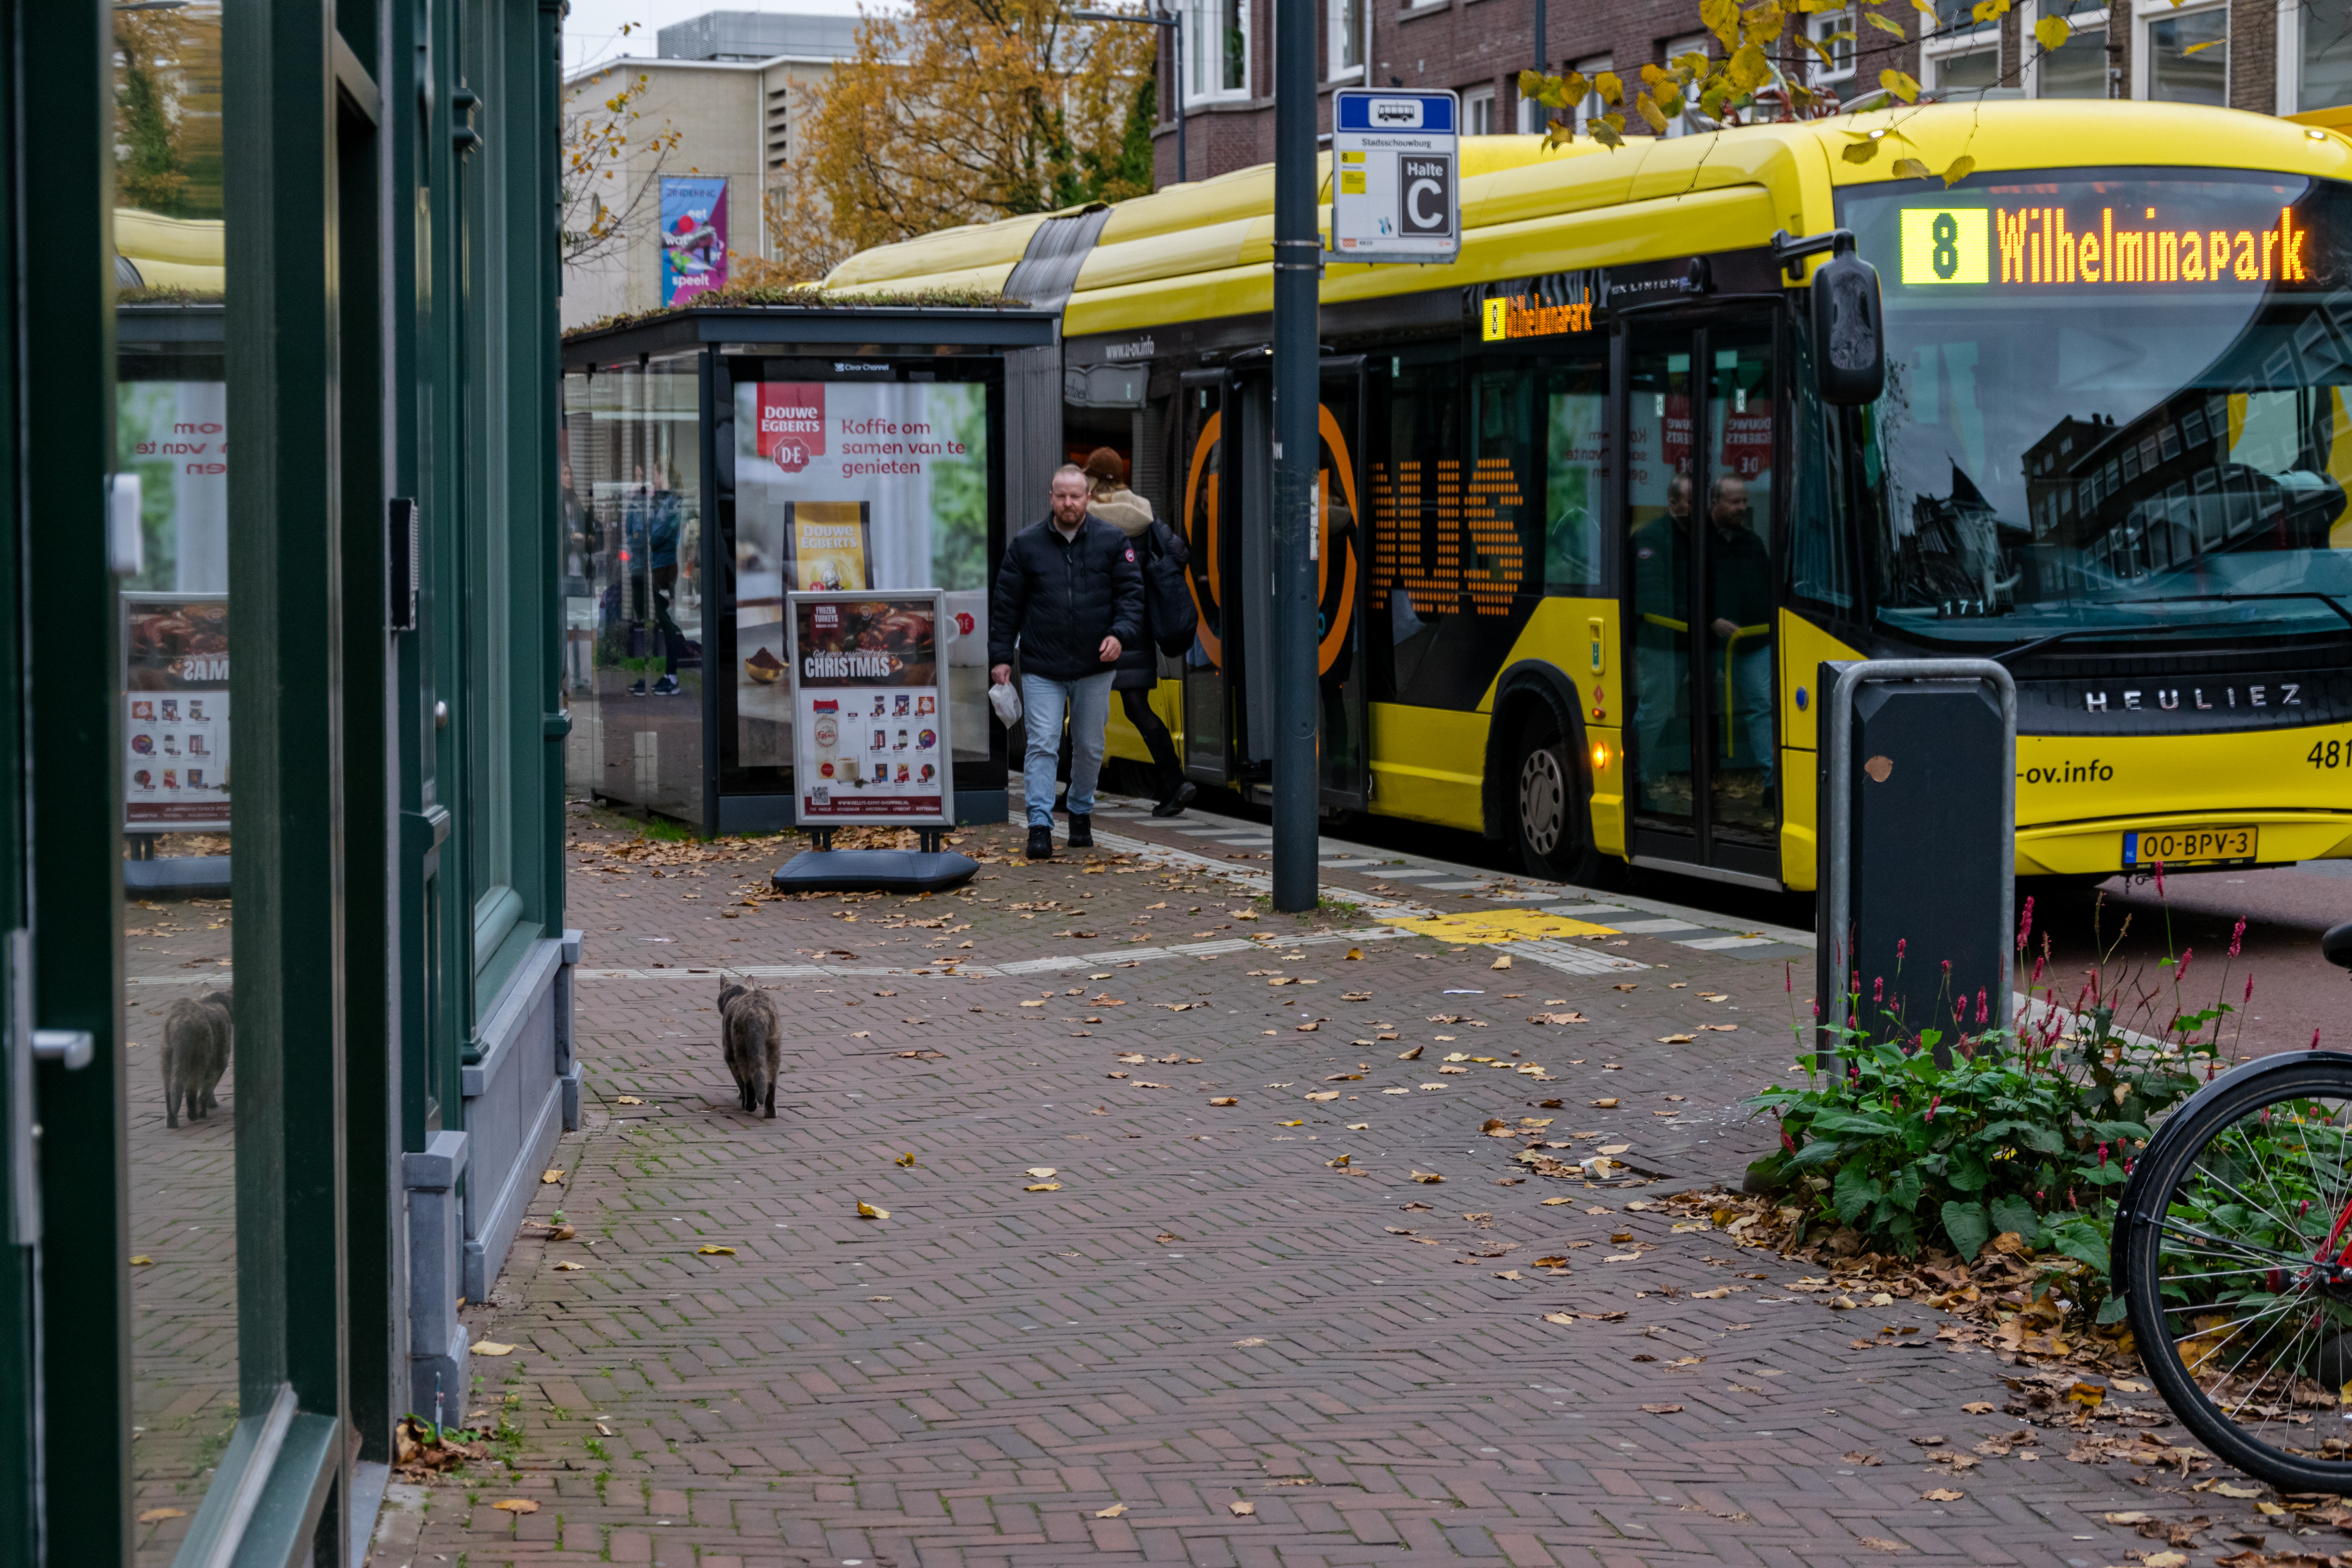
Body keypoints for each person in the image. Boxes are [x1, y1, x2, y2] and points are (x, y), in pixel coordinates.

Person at [990, 464, 1144, 859]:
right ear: (1051, 498)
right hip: (1043, 665)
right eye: (1061, 496)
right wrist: (1001, 657)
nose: (1068, 503)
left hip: (1095, 665)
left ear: (1087, 499)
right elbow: (1006, 605)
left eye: (1075, 496)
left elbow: (1131, 597)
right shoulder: (1026, 545)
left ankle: (1079, 811)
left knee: (1090, 746)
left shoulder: (1112, 541)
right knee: (1042, 743)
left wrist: (1119, 635)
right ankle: (1039, 825)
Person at [1070, 447, 1196, 818]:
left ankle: (1073, 792)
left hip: (1096, 628)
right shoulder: (1144, 512)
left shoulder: (1086, 518)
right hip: (1135, 626)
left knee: (1080, 709)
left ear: (1092, 478)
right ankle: (1175, 780)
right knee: (1139, 708)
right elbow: (1179, 553)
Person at [1705, 474, 1775, 805]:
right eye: (1735, 502)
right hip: (1710, 643)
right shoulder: (1698, 543)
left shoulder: (1752, 541)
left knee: (1766, 704)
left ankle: (1774, 781)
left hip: (1757, 639)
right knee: (1761, 703)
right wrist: (1709, 619)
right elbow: (1679, 589)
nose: (1743, 508)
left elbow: (1769, 586)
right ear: (1714, 504)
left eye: (1745, 501)